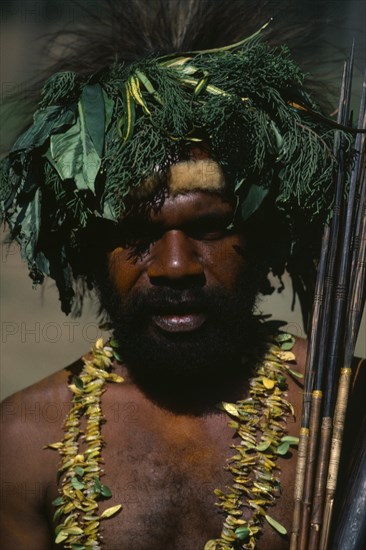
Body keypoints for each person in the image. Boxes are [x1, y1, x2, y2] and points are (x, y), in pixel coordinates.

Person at [0, 2, 364, 549]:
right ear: (91, 251)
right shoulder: (26, 440)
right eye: (137, 235)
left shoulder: (347, 410)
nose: (176, 266)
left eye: (212, 227)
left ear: (263, 239)